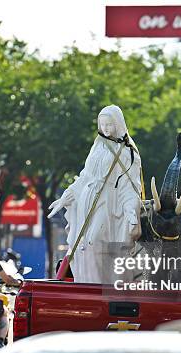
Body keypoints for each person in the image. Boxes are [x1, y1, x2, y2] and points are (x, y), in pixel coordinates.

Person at [48, 105, 142, 283]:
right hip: (86, 200)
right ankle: (86, 283)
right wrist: (66, 196)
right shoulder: (97, 147)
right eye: (102, 124)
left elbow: (130, 186)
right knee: (81, 244)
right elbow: (85, 176)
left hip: (106, 202)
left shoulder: (128, 153)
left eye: (109, 125)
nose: (106, 129)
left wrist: (131, 210)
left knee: (94, 242)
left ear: (118, 124)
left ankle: (99, 284)